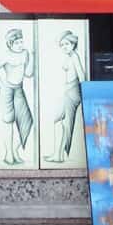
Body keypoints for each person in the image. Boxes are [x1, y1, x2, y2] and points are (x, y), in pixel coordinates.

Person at [43, 30, 86, 163]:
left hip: (72, 92)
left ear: (73, 44)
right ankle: (57, 154)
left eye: (67, 44)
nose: (64, 47)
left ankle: (59, 155)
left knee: (65, 123)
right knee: (59, 120)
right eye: (62, 45)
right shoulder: (70, 56)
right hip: (68, 90)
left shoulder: (74, 57)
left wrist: (84, 91)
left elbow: (81, 75)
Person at [0, 27, 34, 165]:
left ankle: (15, 151)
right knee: (8, 122)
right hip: (7, 89)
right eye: (17, 42)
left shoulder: (25, 53)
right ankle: (9, 154)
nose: (20, 45)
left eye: (21, 41)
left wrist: (31, 57)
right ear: (10, 43)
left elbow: (29, 73)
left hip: (19, 89)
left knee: (27, 121)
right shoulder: (6, 55)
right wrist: (1, 84)